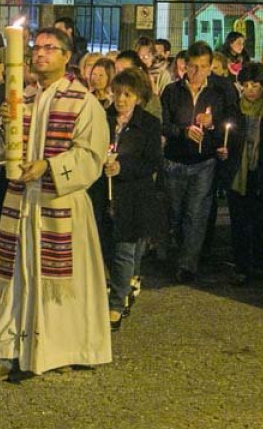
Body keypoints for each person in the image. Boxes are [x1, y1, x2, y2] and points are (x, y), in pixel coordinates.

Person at [0, 27, 111, 382]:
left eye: (50, 48)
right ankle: (5, 351)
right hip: (21, 202)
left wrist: (48, 166)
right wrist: (6, 126)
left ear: (67, 56)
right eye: (37, 47)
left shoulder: (83, 101)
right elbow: (1, 151)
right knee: (14, 276)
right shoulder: (23, 98)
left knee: (57, 280)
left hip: (59, 202)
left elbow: (92, 155)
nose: (40, 53)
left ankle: (58, 350)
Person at [89, 67, 162, 330]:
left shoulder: (149, 124)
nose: (121, 100)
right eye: (117, 93)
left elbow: (152, 162)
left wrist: (124, 167)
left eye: (127, 95)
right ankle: (126, 284)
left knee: (124, 248)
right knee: (107, 247)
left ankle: (116, 303)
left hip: (132, 197)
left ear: (138, 97)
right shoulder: (101, 118)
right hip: (103, 195)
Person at [160, 41, 235, 283]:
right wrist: (183, 131)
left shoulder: (217, 93)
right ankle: (177, 250)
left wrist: (211, 124)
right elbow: (164, 124)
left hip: (204, 162)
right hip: (175, 161)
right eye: (193, 66)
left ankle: (187, 264)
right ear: (184, 66)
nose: (197, 72)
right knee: (176, 212)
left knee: (197, 213)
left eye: (203, 67)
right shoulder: (172, 92)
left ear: (210, 67)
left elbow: (225, 127)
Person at [218, 63, 263, 284]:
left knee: (260, 221)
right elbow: (225, 137)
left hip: (262, 172)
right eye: (246, 85)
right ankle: (241, 266)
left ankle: (257, 262)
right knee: (239, 221)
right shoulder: (234, 109)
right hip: (238, 171)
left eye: (255, 85)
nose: (250, 90)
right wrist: (223, 149)